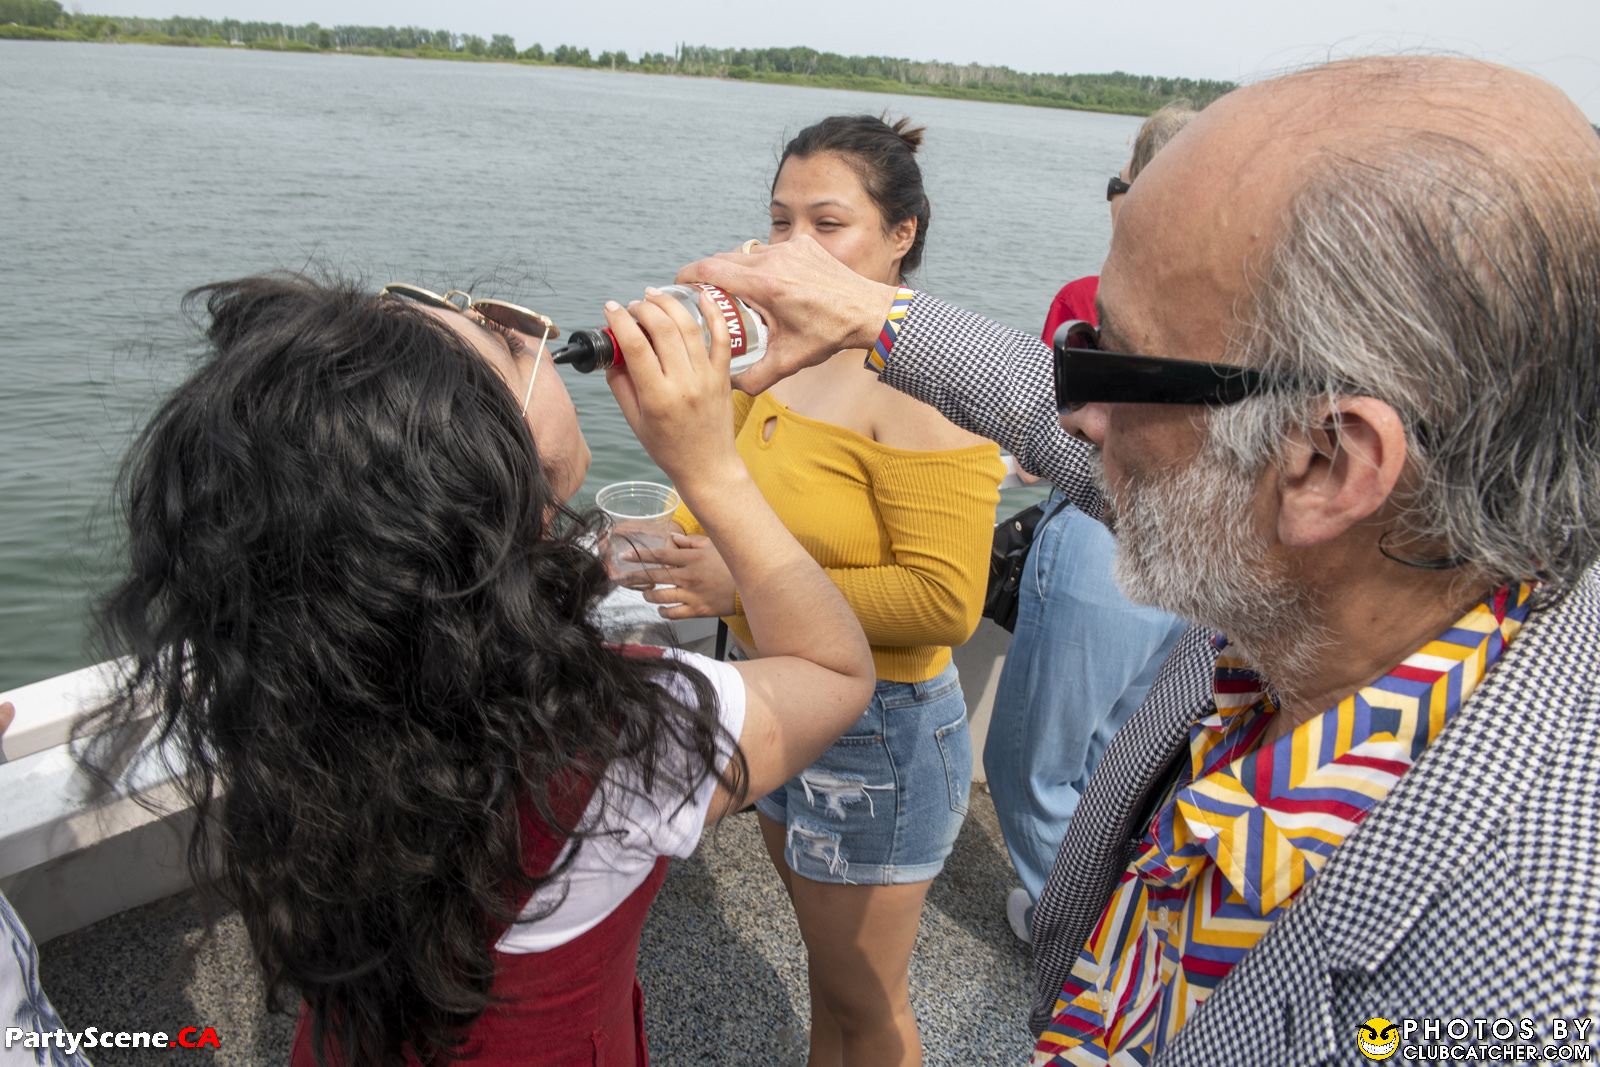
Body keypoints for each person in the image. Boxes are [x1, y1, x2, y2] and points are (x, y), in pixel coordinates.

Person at [675, 55, 1600, 1062]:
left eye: (1105, 358)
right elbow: (1042, 404)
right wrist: (872, 315)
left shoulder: (1524, 978)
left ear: (1328, 462)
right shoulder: (1321, 597)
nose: (1072, 413)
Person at [77, 276, 875, 1066]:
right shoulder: (626, 729)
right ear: (492, 477)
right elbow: (833, 670)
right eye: (502, 334)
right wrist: (711, 467)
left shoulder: (292, 672)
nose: (531, 328)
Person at [632, 115, 1003, 1066]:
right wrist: (645, 541)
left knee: (866, 999)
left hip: (883, 728)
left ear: (900, 235)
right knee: (825, 976)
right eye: (779, 221)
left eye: (827, 224)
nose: (793, 250)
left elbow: (944, 603)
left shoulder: (925, 388)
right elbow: (722, 499)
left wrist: (741, 591)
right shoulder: (776, 358)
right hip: (781, 696)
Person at [990, 105, 1193, 944]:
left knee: (1027, 763)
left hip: (1102, 541)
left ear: (1133, 189)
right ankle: (1113, 917)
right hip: (1195, 556)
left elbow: (1045, 441)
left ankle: (1067, 926)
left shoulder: (1089, 299)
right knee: (1119, 756)